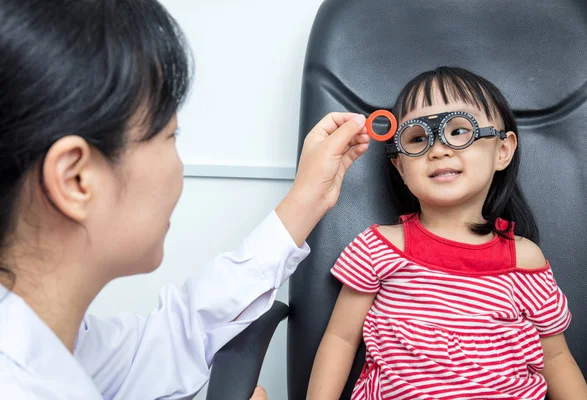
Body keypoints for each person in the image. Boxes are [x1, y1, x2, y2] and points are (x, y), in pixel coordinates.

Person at [0, 1, 370, 399]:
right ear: (76, 179)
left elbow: (178, 335)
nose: (177, 167)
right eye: (168, 136)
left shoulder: (54, 343)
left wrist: (306, 199)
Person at [307, 67, 587, 399]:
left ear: (502, 151)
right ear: (400, 166)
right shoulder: (380, 248)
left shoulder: (525, 259)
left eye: (460, 131)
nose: (438, 148)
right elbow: (341, 339)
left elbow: (556, 358)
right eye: (417, 138)